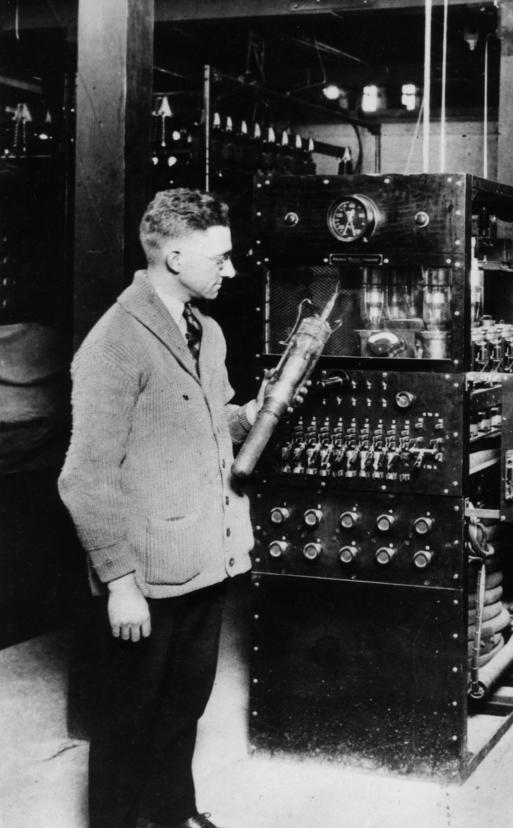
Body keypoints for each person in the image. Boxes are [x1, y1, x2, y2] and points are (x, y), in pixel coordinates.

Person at [59, 188, 262, 828]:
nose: (229, 270)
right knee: (128, 717)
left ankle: (172, 814)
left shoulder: (207, 332)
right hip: (147, 573)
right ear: (174, 256)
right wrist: (119, 582)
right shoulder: (115, 343)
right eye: (219, 258)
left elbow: (208, 423)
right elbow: (83, 477)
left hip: (206, 556)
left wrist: (254, 414)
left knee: (184, 706)